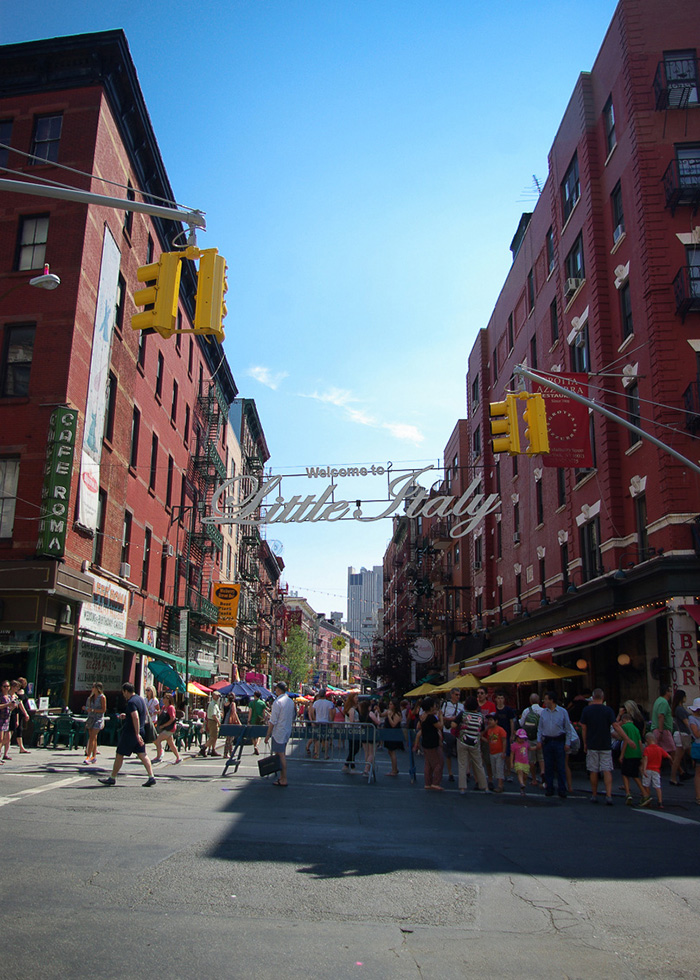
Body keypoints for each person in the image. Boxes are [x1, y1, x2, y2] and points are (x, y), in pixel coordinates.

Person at [98, 682, 156, 787]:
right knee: (142, 754)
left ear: (126, 691)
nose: (123, 695)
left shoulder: (131, 702)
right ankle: (151, 776)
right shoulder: (140, 699)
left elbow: (136, 716)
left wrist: (136, 733)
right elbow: (142, 714)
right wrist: (127, 716)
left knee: (119, 754)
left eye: (123, 692)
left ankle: (112, 777)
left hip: (131, 733)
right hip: (140, 731)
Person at [580, 688, 630, 806]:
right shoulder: (608, 711)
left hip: (592, 743)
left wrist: (585, 742)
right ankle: (608, 795)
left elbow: (584, 728)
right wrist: (626, 738)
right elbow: (615, 726)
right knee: (607, 769)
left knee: (593, 770)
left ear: (593, 697)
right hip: (605, 743)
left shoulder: (587, 710)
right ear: (603, 698)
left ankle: (594, 794)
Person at [536, 691, 573, 799]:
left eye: (546, 699)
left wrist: (567, 742)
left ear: (552, 700)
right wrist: (539, 740)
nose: (545, 701)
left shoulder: (562, 712)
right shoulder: (544, 712)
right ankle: (549, 788)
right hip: (547, 741)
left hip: (559, 740)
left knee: (561, 766)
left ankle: (562, 789)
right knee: (549, 766)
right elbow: (540, 728)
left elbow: (567, 728)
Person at [264, 681, 295, 786]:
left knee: (280, 755)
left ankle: (284, 778)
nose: (275, 690)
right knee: (280, 754)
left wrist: (268, 734)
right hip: (287, 730)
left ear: (279, 690)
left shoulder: (278, 702)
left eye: (276, 689)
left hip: (279, 732)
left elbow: (273, 720)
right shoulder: (290, 702)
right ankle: (281, 777)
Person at [455, 696, 488, 793]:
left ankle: (462, 787)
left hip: (463, 740)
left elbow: (454, 724)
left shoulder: (463, 714)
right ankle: (484, 786)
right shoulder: (480, 716)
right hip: (475, 742)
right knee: (478, 764)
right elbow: (481, 729)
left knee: (462, 764)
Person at [414, 696, 444, 790]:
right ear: (431, 707)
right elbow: (440, 726)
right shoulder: (431, 718)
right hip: (432, 743)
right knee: (438, 762)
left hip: (426, 742)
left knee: (428, 763)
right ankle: (435, 782)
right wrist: (441, 718)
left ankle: (428, 782)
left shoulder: (423, 716)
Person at [618, 710, 644, 805]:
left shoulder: (624, 727)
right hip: (637, 753)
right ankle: (644, 793)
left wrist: (621, 755)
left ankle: (628, 793)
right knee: (634, 774)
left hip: (629, 753)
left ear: (624, 720)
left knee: (625, 773)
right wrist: (641, 754)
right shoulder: (636, 728)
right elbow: (640, 742)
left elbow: (625, 741)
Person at [639, 732, 671, 808]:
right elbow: (668, 756)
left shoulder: (647, 749)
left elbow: (645, 759)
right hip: (656, 769)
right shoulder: (659, 749)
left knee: (646, 785)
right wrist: (672, 761)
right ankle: (660, 802)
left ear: (647, 740)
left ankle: (648, 799)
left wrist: (643, 769)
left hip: (648, 769)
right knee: (657, 786)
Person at [520, 693, 545, 786]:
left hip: (530, 737)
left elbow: (522, 723)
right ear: (539, 701)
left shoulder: (526, 711)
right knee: (541, 757)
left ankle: (534, 779)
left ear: (530, 701)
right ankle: (543, 772)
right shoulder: (543, 711)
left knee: (531, 759)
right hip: (540, 737)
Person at [439, 688, 462, 783]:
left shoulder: (461, 706)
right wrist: (450, 718)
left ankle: (464, 772)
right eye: (456, 694)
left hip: (458, 731)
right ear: (452, 695)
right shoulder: (445, 704)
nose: (458, 697)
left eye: (459, 695)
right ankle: (450, 772)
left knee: (461, 753)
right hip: (447, 730)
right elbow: (440, 715)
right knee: (448, 753)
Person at [670, 689, 692, 785]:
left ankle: (674, 777)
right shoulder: (680, 709)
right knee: (678, 758)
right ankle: (673, 778)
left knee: (690, 755)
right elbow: (687, 723)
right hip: (683, 735)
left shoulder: (678, 708)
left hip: (682, 735)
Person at [153, 693, 181, 764]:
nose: (163, 699)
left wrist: (164, 725)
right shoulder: (164, 707)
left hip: (169, 728)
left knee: (157, 740)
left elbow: (172, 718)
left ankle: (159, 756)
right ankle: (178, 757)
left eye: (165, 697)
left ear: (169, 699)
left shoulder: (171, 707)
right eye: (163, 697)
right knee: (171, 743)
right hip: (165, 728)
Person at [494, 690, 517, 780]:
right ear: (496, 699)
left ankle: (508, 772)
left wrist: (512, 734)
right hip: (496, 735)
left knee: (507, 753)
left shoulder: (508, 710)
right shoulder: (494, 709)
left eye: (501, 698)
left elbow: (511, 722)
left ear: (504, 700)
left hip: (506, 734)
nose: (500, 700)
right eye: (498, 698)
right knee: (498, 754)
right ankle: (501, 772)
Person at [82, 681, 106, 764]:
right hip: (91, 718)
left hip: (98, 719)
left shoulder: (102, 697)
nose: (92, 689)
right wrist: (86, 708)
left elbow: (103, 710)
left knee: (92, 737)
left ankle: (88, 756)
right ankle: (94, 756)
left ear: (97, 689)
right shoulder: (91, 698)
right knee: (94, 737)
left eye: (93, 687)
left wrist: (93, 710)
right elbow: (89, 707)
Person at [482, 714, 507, 792]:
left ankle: (500, 785)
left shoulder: (500, 729)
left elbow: (504, 741)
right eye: (489, 720)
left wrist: (503, 752)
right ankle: (499, 784)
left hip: (499, 752)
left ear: (496, 721)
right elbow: (487, 740)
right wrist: (486, 729)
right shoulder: (489, 730)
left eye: (491, 720)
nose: (489, 722)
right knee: (494, 769)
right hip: (492, 752)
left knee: (499, 768)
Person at [650, 684, 675, 760]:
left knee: (658, 750)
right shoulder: (664, 702)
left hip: (658, 729)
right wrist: (661, 731)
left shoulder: (658, 700)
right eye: (670, 691)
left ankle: (679, 769)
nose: (671, 693)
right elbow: (661, 716)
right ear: (666, 692)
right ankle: (676, 768)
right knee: (673, 750)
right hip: (663, 730)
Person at [310, 688, 334, 759]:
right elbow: (331, 713)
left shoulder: (316, 703)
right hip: (326, 722)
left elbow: (312, 712)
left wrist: (314, 719)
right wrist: (331, 721)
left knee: (317, 739)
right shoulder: (329, 703)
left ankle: (317, 754)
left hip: (318, 722)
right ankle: (326, 755)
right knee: (326, 739)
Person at [7, 681, 29, 759]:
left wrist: (25, 714)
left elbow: (19, 705)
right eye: (16, 687)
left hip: (13, 716)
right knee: (7, 736)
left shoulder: (16, 696)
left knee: (11, 734)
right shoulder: (7, 695)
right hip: (6, 716)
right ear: (12, 687)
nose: (18, 689)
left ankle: (5, 753)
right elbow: (10, 707)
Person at [342, 691, 361, 772]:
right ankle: (347, 764)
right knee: (355, 748)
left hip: (353, 730)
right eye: (356, 698)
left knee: (353, 748)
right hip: (353, 730)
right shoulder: (352, 710)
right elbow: (351, 721)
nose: (357, 699)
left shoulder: (353, 708)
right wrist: (359, 721)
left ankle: (351, 765)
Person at [11, 678, 31, 754]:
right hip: (16, 713)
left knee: (19, 730)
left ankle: (21, 747)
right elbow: (19, 703)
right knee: (13, 730)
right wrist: (25, 713)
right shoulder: (16, 695)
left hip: (20, 714)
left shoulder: (19, 693)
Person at [383, 698, 403, 776]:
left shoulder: (397, 714)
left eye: (391, 704)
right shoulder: (389, 712)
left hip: (394, 733)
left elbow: (393, 724)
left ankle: (394, 770)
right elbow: (382, 714)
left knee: (392, 751)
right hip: (388, 733)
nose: (389, 705)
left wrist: (389, 717)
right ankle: (394, 768)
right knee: (390, 751)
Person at [687, 697, 700, 806]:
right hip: (699, 745)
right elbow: (696, 734)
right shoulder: (692, 719)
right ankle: (698, 796)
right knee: (699, 772)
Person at [201, 691, 222, 758]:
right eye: (217, 696)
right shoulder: (212, 704)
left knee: (215, 737)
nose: (218, 697)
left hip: (213, 722)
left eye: (219, 696)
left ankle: (213, 750)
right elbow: (213, 715)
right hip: (213, 722)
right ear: (213, 696)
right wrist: (218, 722)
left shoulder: (215, 704)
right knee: (213, 737)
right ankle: (204, 748)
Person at [511, 728, 531, 796]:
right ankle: (521, 783)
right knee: (520, 772)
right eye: (520, 738)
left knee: (525, 776)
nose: (522, 740)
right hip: (518, 761)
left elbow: (530, 749)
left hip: (525, 762)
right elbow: (512, 754)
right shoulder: (514, 745)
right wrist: (511, 762)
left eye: (523, 738)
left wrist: (537, 747)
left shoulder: (526, 744)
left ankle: (523, 788)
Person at [248, 690, 267, 755]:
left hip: (253, 720)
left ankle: (254, 746)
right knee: (259, 735)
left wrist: (248, 720)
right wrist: (264, 719)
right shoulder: (262, 703)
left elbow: (250, 712)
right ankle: (257, 746)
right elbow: (264, 713)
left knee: (253, 735)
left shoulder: (251, 703)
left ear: (255, 695)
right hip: (260, 720)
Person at [0, 680, 15, 762]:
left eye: (8, 686)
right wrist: (7, 705)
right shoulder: (1, 696)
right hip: (0, 719)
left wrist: (13, 705)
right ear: (1, 687)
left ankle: (2, 754)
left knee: (7, 739)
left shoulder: (9, 697)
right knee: (0, 739)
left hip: (7, 719)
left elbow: (10, 708)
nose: (6, 688)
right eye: (4, 686)